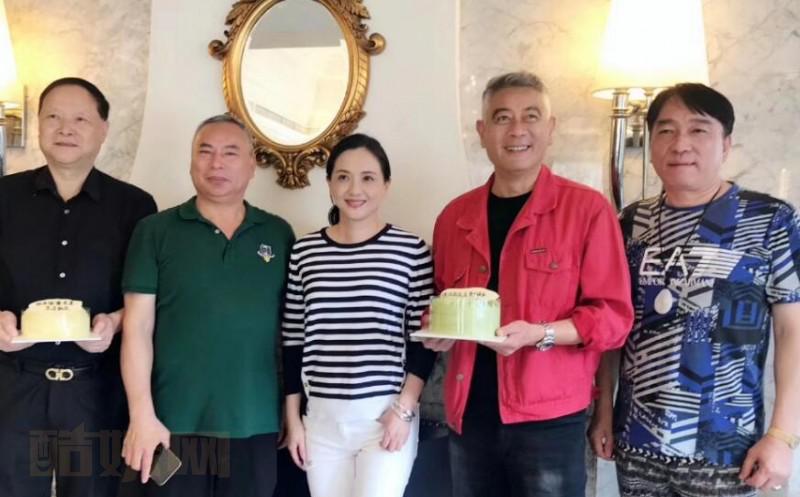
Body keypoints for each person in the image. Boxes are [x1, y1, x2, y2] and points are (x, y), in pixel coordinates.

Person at [422, 71, 634, 497]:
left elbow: (612, 319)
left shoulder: (587, 210)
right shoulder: (453, 218)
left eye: (531, 116)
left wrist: (540, 334)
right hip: (468, 416)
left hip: (550, 422)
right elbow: (445, 301)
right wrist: (438, 329)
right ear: (482, 132)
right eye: (502, 118)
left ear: (550, 129)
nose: (517, 129)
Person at [589, 83, 800, 496]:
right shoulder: (630, 223)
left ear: (726, 144)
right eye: (666, 131)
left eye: (698, 130)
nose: (680, 144)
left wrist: (783, 434)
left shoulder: (770, 220)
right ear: (651, 145)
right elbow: (612, 325)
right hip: (638, 442)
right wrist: (604, 413)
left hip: (726, 448)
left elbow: (792, 330)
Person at [120, 114, 293, 497]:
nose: (216, 163)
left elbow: (290, 331)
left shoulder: (278, 234)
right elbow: (137, 328)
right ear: (190, 161)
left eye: (230, 153)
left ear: (252, 165)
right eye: (205, 152)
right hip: (169, 424)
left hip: (256, 423)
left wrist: (290, 411)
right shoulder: (155, 231)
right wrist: (141, 414)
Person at [0, 77, 156, 496]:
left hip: (96, 388)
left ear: (104, 129)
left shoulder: (136, 206)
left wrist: (116, 322)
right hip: (14, 385)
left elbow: (147, 297)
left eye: (80, 119)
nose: (65, 129)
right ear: (38, 125)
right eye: (53, 116)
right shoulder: (4, 196)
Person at [281, 133, 435, 497]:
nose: (355, 189)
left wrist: (404, 410)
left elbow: (424, 341)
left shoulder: (411, 251)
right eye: (343, 177)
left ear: (386, 185)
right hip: (320, 422)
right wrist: (294, 421)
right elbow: (293, 340)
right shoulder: (305, 252)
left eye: (368, 178)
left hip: (385, 418)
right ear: (329, 184)